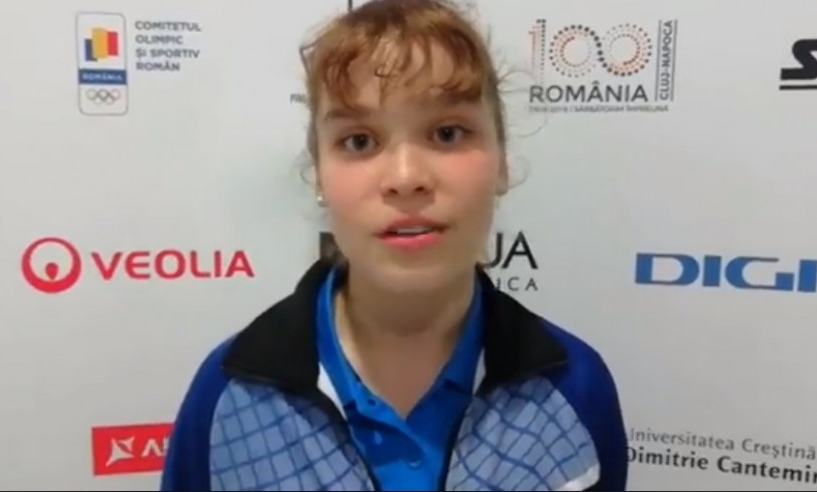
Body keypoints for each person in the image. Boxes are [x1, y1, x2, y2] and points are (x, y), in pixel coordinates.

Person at [160, 0, 628, 490]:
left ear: (502, 162)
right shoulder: (230, 395)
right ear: (319, 174)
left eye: (447, 133)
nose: (405, 178)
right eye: (359, 141)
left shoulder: (574, 388)